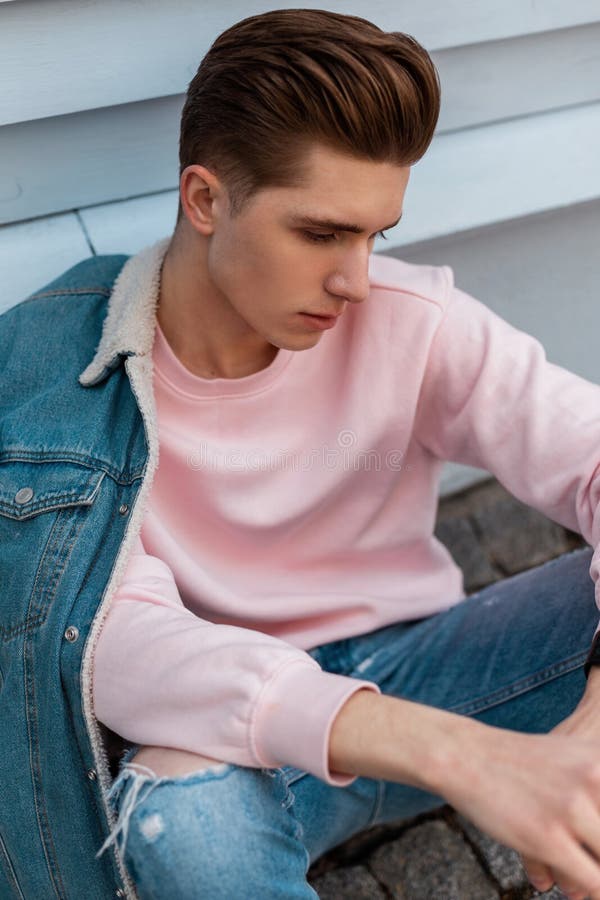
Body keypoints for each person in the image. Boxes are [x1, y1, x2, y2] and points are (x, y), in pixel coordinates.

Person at [2, 8, 600, 900]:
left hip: (430, 665)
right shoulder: (55, 375)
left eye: (375, 235)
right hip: (228, 742)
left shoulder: (408, 323)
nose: (355, 280)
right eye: (321, 234)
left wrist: (589, 731)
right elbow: (119, 649)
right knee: (180, 822)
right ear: (204, 200)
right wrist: (468, 759)